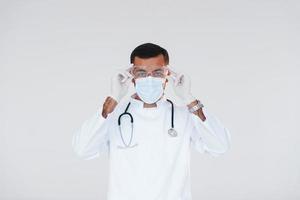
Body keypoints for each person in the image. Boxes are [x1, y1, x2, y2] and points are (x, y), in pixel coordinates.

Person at [72, 43, 231, 200]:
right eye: (141, 73)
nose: (149, 79)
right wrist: (113, 98)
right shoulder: (112, 116)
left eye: (157, 73)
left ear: (167, 76)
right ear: (132, 77)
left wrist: (189, 98)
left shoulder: (186, 115)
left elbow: (220, 146)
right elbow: (82, 149)